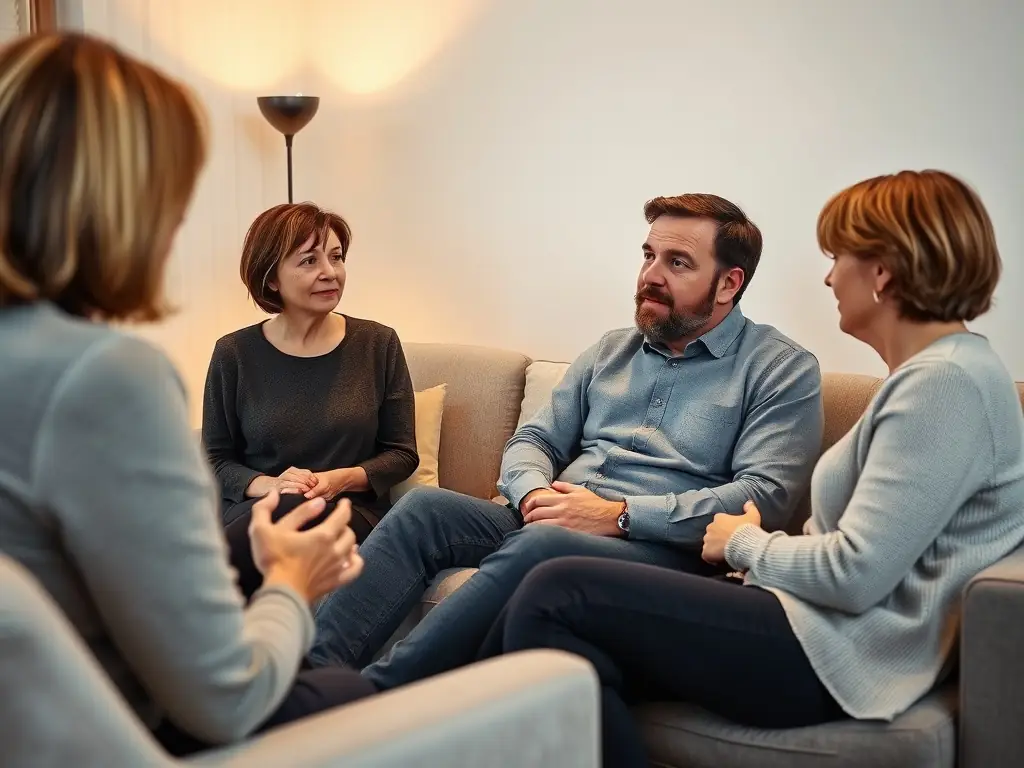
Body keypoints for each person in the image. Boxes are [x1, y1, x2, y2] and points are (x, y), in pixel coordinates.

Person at [484, 170, 1024, 767]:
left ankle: (401, 723)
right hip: (811, 623)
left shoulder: (942, 384)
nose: (827, 275)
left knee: (557, 589)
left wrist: (743, 543)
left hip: (836, 654)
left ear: (883, 270)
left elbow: (854, 573)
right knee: (566, 655)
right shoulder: (951, 373)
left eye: (838, 255)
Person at [0, 33, 375, 757]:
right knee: (354, 697)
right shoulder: (107, 378)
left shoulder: (375, 342)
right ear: (120, 199)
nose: (177, 221)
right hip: (113, 727)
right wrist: (291, 587)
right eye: (173, 188)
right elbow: (222, 698)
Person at [310, 193, 825, 689]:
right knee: (425, 508)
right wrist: (533, 493)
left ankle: (375, 699)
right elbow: (534, 438)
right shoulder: (611, 350)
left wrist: (618, 515)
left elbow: (765, 496)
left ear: (728, 283)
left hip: (662, 549)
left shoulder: (780, 369)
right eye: (648, 255)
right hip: (555, 516)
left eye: (678, 262)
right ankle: (306, 683)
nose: (650, 275)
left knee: (544, 544)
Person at [202, 202, 419, 596]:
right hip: (257, 508)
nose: (329, 272)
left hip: (349, 512)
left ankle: (192, 617)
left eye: (336, 257)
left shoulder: (377, 343)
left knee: (289, 515)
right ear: (271, 279)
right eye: (308, 261)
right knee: (278, 514)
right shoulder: (233, 353)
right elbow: (215, 459)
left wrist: (340, 480)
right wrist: (269, 485)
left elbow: (402, 452)